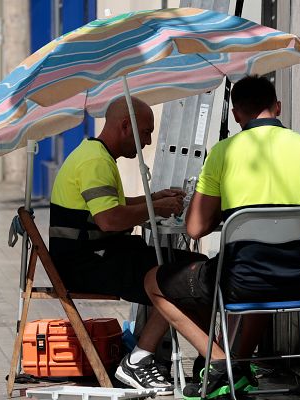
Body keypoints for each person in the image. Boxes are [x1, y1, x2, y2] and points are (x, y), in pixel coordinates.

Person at [144, 75, 300, 399]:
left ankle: (222, 364)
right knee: (258, 281)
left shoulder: (224, 153)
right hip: (299, 282)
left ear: (237, 114)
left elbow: (195, 228)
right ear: (277, 107)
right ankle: (235, 366)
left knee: (154, 281)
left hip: (239, 282)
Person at [48, 96, 206, 394]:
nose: (146, 142)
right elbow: (109, 219)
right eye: (145, 132)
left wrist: (154, 198)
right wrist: (155, 209)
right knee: (179, 277)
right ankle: (140, 360)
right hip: (87, 264)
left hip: (97, 255)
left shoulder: (94, 154)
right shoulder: (95, 161)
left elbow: (110, 206)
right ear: (125, 126)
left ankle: (203, 355)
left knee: (192, 266)